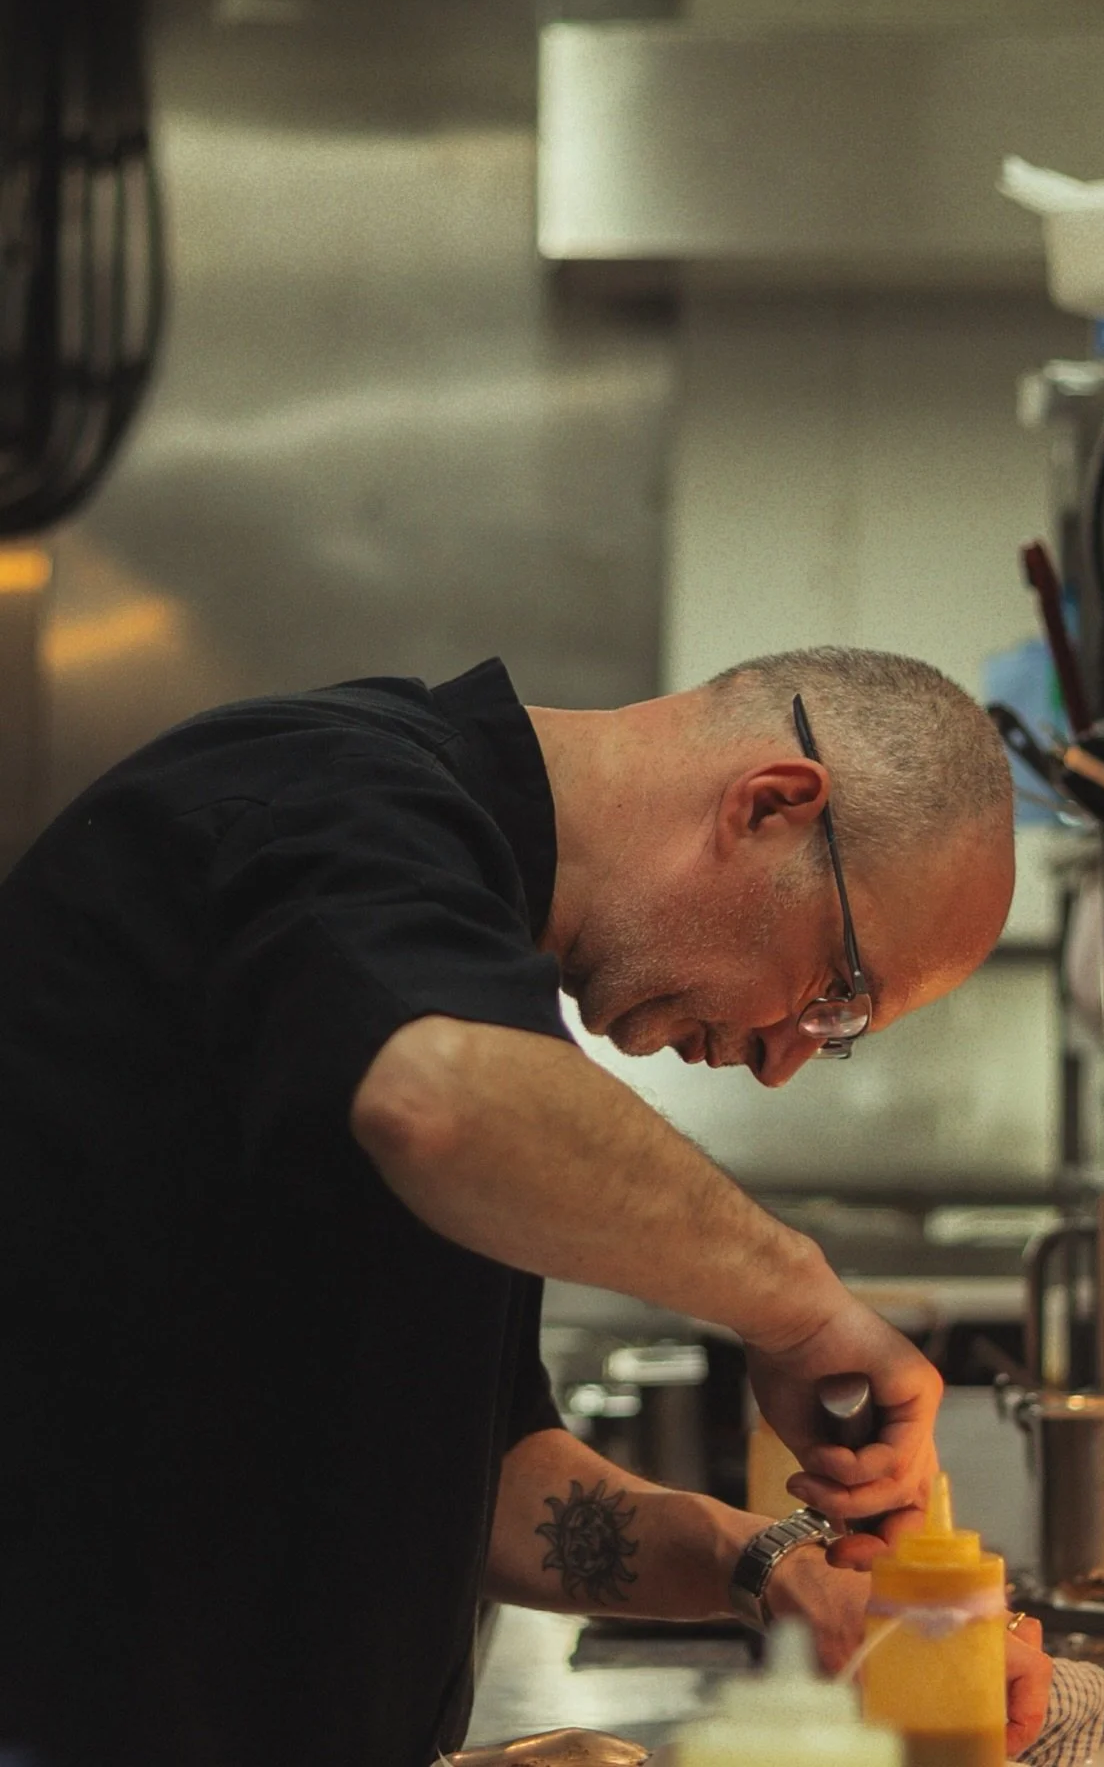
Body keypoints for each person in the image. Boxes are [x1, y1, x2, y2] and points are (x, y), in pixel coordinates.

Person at [0, 644, 1047, 1767]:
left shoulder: (471, 954)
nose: (784, 1064)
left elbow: (485, 1484)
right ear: (773, 807)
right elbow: (436, 1102)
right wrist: (795, 1304)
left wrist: (779, 1568)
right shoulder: (335, 801)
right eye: (837, 994)